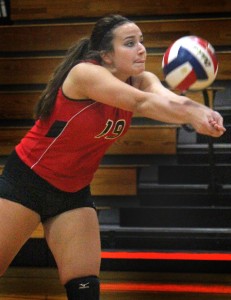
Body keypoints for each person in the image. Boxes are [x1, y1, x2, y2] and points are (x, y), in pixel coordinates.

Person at [0, 14, 226, 299]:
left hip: (72, 192)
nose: (141, 49)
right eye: (130, 43)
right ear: (106, 55)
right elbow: (141, 103)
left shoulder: (142, 79)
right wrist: (194, 114)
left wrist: (202, 114)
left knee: (85, 286)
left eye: (141, 41)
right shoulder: (85, 74)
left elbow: (162, 100)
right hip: (27, 182)